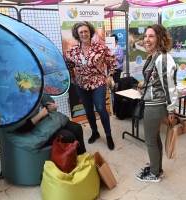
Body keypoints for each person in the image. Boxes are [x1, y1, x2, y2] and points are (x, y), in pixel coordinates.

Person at [135, 24, 178, 183]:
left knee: (150, 140)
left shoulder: (163, 58)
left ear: (160, 38)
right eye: (146, 36)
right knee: (155, 139)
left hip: (156, 104)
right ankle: (156, 168)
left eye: (151, 36)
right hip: (153, 102)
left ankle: (154, 173)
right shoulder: (155, 56)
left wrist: (171, 109)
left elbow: (170, 86)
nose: (147, 39)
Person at [65, 21, 117, 150]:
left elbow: (113, 61)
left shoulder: (100, 48)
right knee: (88, 110)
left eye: (86, 31)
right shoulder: (72, 50)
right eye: (81, 32)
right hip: (81, 84)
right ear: (77, 34)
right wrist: (72, 77)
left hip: (98, 83)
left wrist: (110, 75)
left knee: (101, 108)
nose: (84, 34)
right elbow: (69, 65)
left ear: (90, 32)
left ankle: (108, 135)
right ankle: (95, 132)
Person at [12, 93, 86, 155]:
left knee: (77, 128)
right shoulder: (12, 104)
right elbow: (21, 127)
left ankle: (82, 157)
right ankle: (69, 164)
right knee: (68, 137)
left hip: (47, 121)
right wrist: (39, 115)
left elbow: (45, 102)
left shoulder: (30, 92)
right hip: (34, 129)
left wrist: (53, 106)